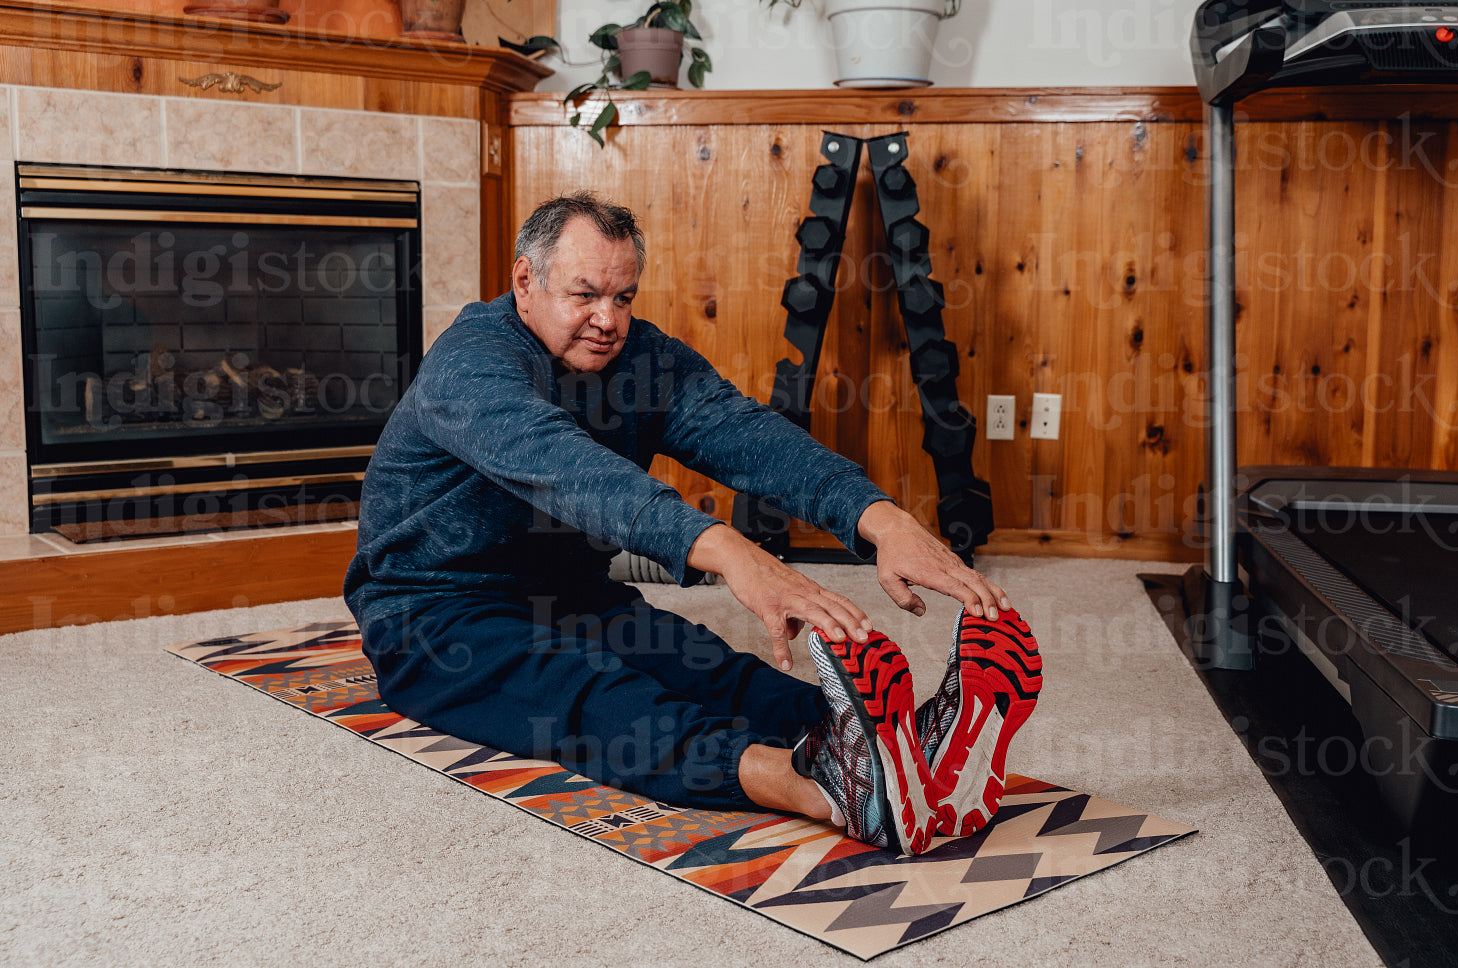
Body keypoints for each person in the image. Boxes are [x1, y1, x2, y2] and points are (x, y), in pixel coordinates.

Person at [344, 192, 1041, 855]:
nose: (607, 319)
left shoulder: (643, 359)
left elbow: (746, 435)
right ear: (525, 281)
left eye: (622, 297)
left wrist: (879, 519)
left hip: (571, 594)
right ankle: (822, 788)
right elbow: (565, 466)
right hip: (434, 613)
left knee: (709, 670)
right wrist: (731, 553)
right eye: (584, 294)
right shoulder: (471, 363)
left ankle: (908, 750)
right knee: (594, 693)